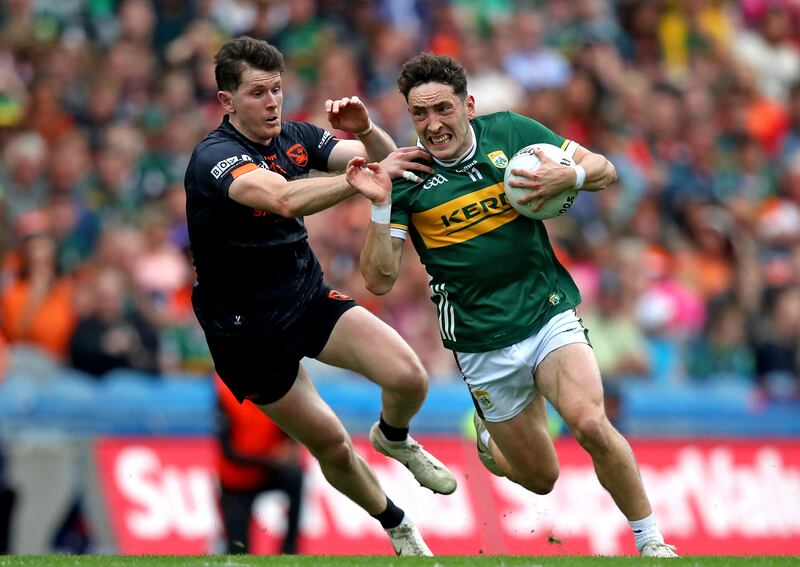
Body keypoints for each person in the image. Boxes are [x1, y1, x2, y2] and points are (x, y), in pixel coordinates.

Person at [358, 53, 678, 558]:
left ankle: (652, 542)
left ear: (468, 104)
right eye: (420, 114)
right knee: (541, 477)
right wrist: (379, 204)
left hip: (546, 309)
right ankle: (490, 442)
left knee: (591, 423)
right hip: (480, 337)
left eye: (443, 108)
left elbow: (605, 169)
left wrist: (567, 177)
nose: (434, 124)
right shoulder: (406, 178)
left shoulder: (510, 132)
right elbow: (377, 280)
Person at [183, 36, 456, 557]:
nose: (272, 103)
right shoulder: (214, 158)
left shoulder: (297, 137)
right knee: (329, 442)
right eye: (259, 92)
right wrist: (362, 182)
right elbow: (282, 198)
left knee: (408, 375)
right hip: (246, 334)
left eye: (277, 90)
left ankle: (393, 436)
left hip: (305, 298)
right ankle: (397, 524)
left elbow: (390, 161)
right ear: (227, 102)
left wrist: (368, 130)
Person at [215, 376, 303, 555]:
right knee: (238, 549)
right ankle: (224, 543)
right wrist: (272, 459)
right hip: (236, 482)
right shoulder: (225, 395)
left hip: (265, 473)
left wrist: (291, 446)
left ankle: (289, 550)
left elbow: (288, 431)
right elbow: (228, 452)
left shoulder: (275, 390)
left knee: (295, 476)